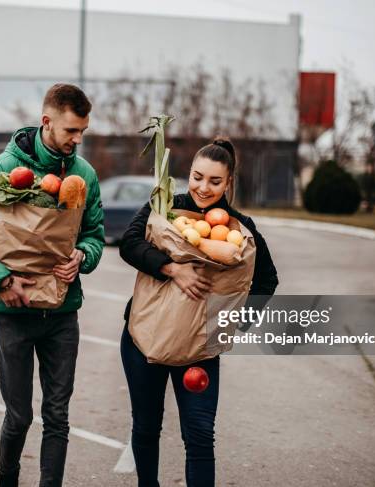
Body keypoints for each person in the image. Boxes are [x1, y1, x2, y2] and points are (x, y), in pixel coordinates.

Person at [0, 84, 104, 487]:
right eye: (71, 130)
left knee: (58, 417)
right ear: (47, 122)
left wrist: (82, 256)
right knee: (18, 416)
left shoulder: (84, 175)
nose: (77, 139)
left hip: (62, 313)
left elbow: (94, 235)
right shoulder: (4, 168)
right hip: (12, 312)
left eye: (83, 131)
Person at [119, 138, 278, 487]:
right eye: (196, 177)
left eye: (215, 181)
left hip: (199, 350)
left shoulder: (240, 229)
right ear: (187, 174)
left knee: (200, 435)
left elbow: (267, 279)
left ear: (229, 182)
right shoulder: (165, 208)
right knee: (145, 426)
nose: (203, 188)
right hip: (144, 337)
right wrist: (172, 269)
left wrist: (232, 324)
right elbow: (129, 244)